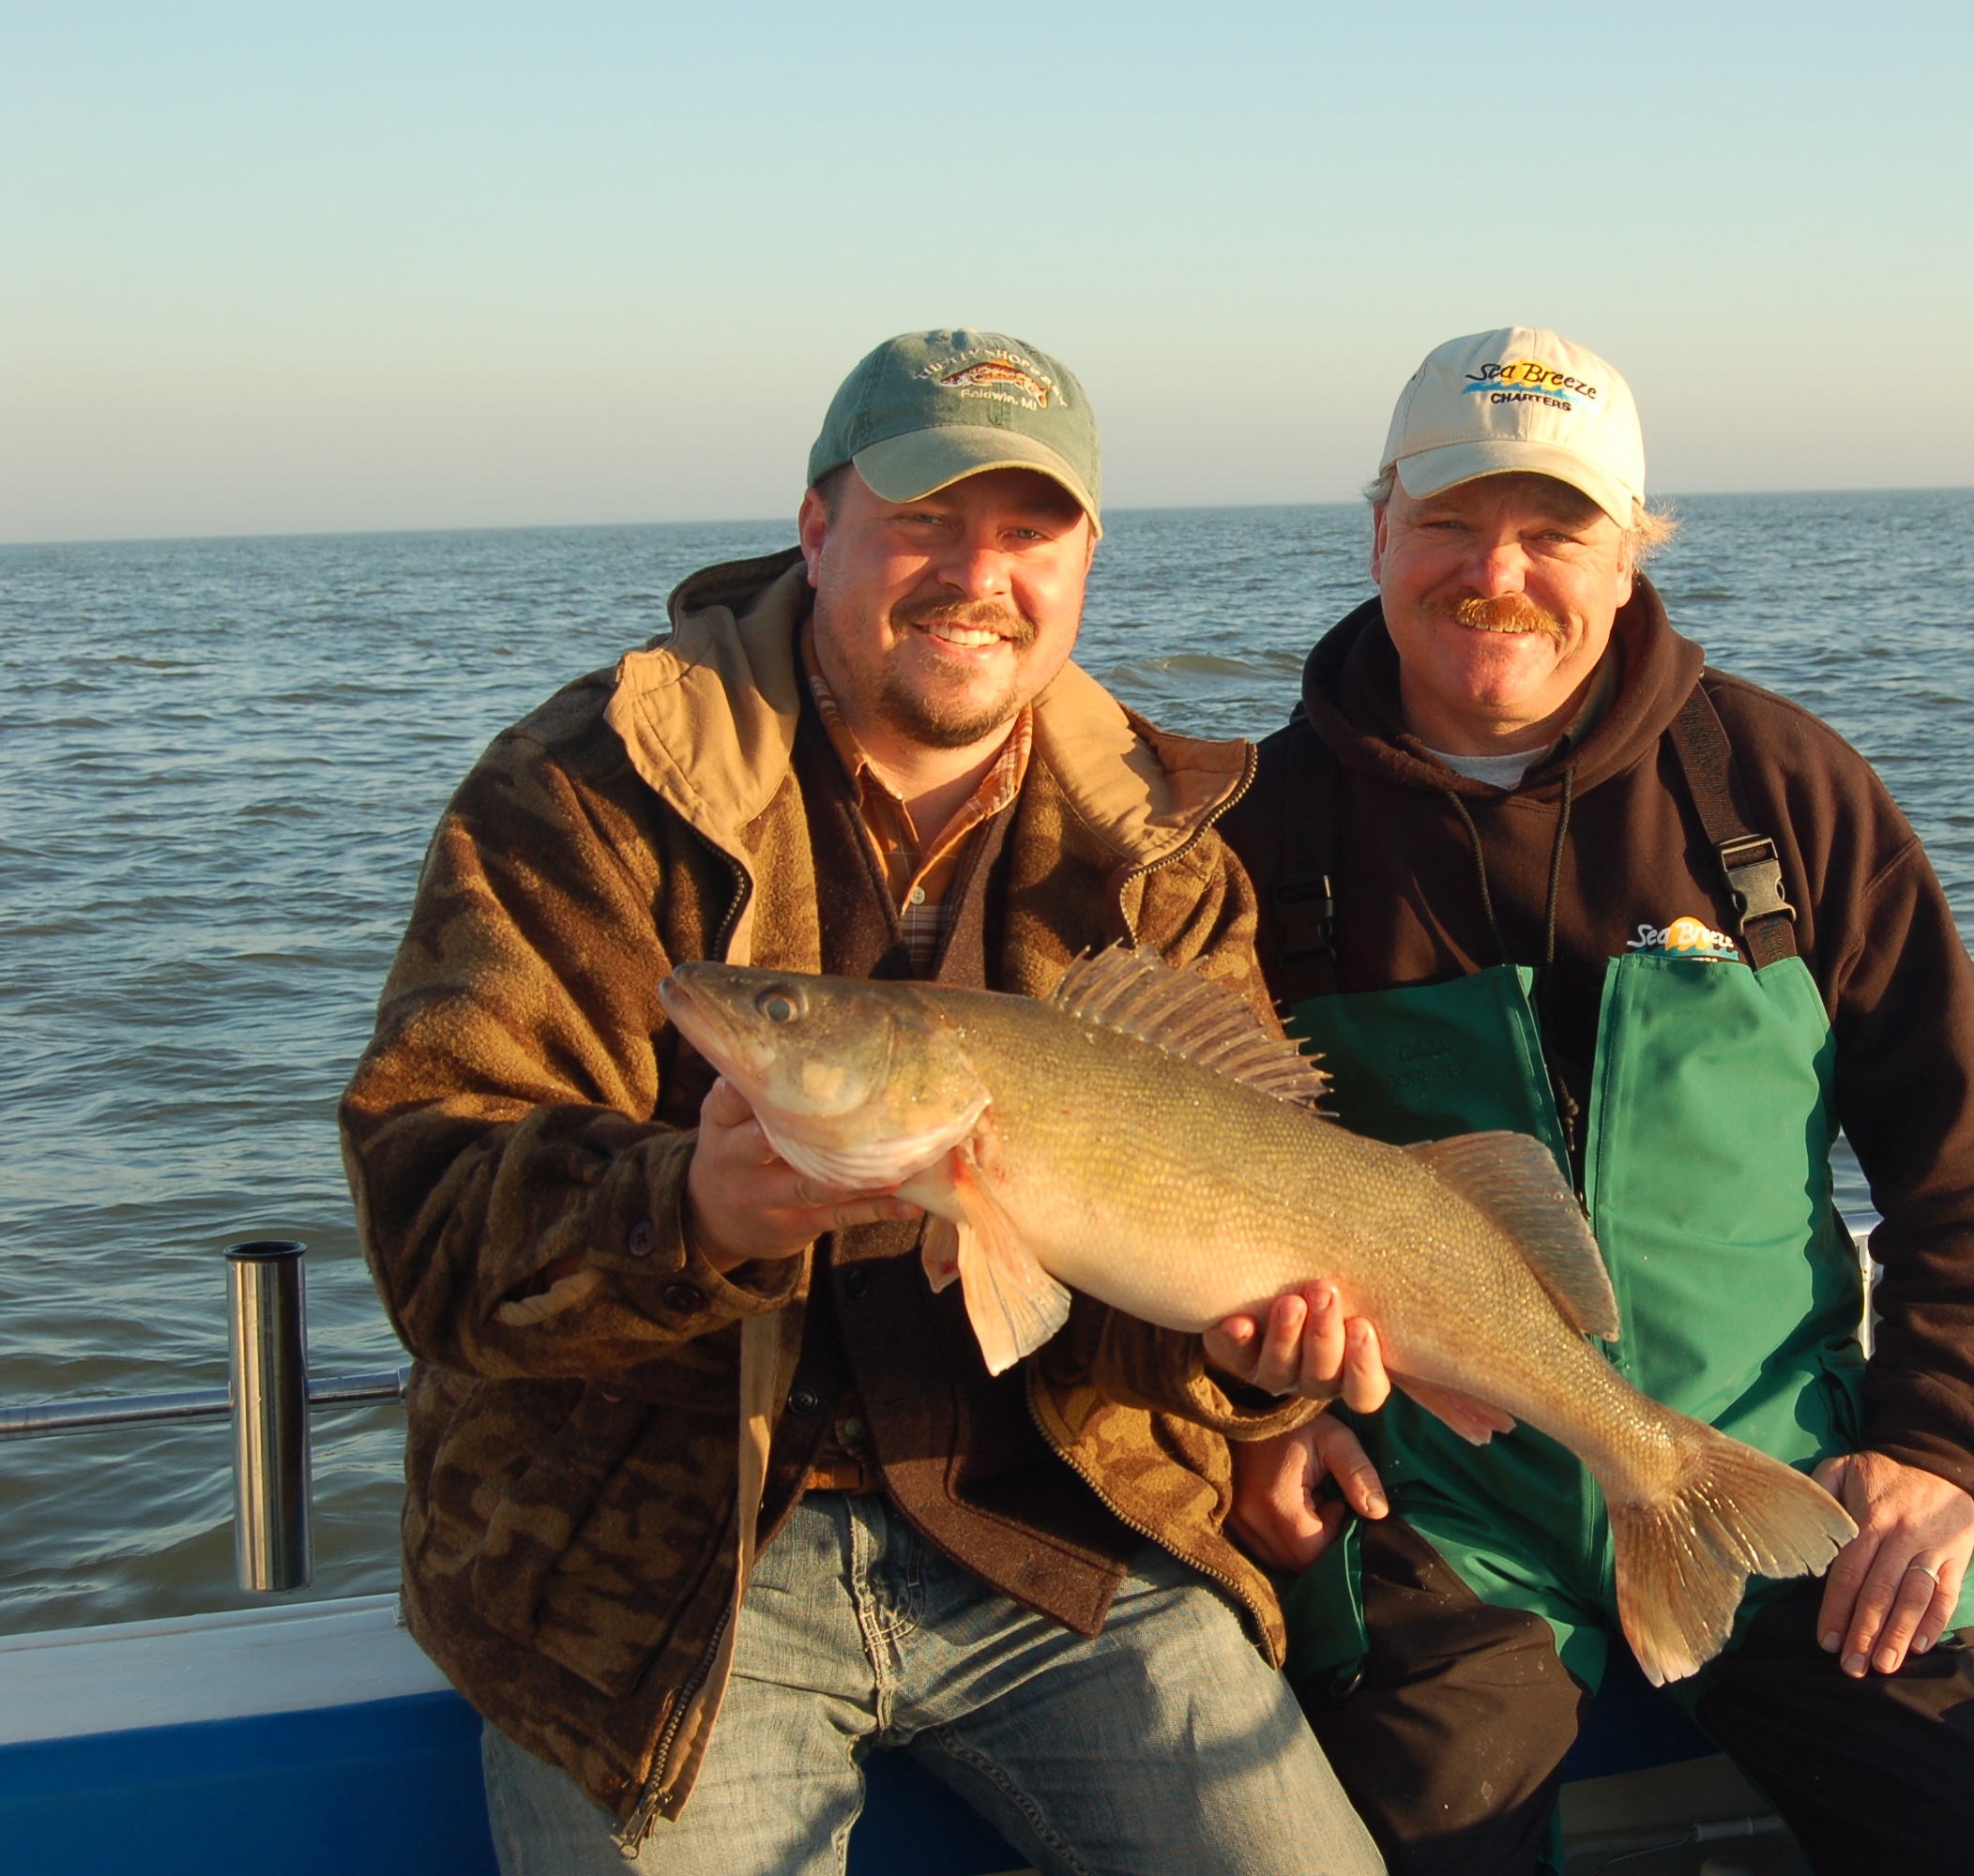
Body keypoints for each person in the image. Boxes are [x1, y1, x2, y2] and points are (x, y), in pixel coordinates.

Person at [340, 328, 1385, 1876]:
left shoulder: (1158, 861)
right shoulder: (583, 793)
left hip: (1065, 1545)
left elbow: (1193, 1251)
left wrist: (1253, 1373)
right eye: (923, 521)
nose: (979, 574)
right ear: (820, 530)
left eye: (1028, 533)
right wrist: (684, 1212)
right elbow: (431, 1223)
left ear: (1086, 555)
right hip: (664, 1585)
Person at [1219, 328, 1974, 1874]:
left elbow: (1967, 1148)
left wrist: (1934, 1446)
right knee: (1422, 1832)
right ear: (1378, 529)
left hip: (1771, 1472)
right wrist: (1254, 1417)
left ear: (1630, 554)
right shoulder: (1255, 835)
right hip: (1444, 1510)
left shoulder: (1783, 791)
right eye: (1454, 522)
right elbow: (1182, 1187)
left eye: (1556, 530)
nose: (1500, 572)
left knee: (1971, 1834)